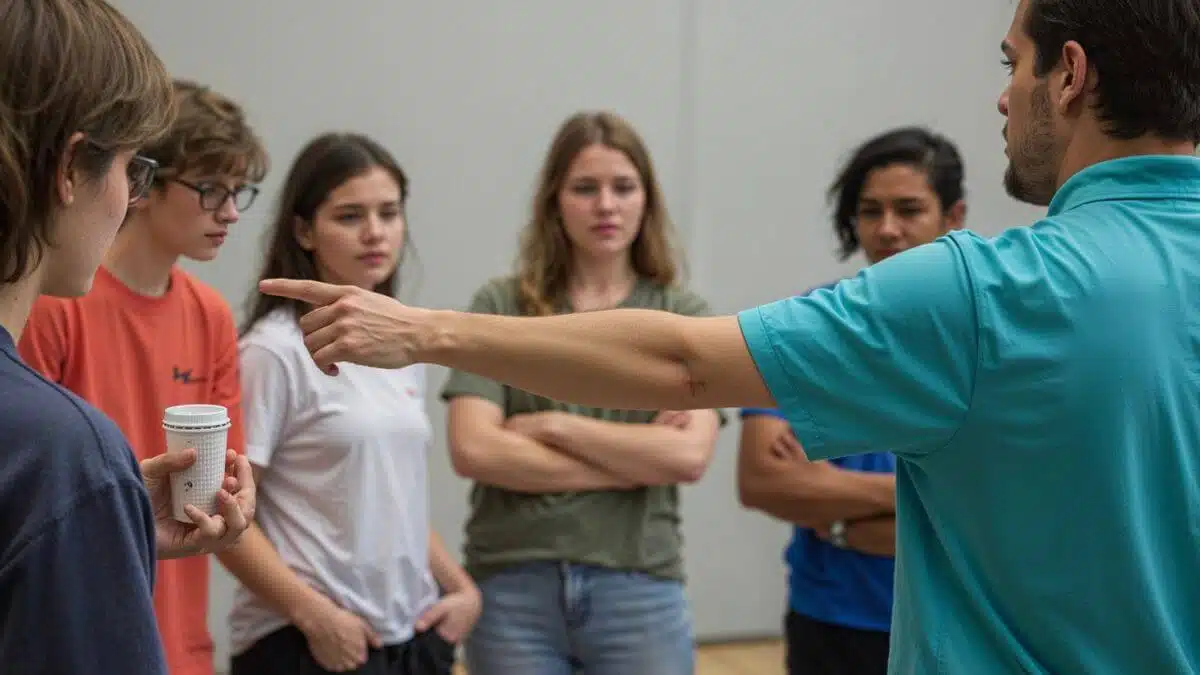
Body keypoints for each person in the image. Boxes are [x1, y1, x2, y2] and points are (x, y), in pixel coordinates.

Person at [258, 0, 1200, 672]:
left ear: (1069, 75)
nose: (1002, 97)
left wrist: (423, 330)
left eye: (1013, 64)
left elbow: (680, 361)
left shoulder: (978, 290)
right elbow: (730, 459)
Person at [0, 1, 252, 673]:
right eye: (129, 171)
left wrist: (109, 509)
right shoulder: (61, 448)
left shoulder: (208, 315)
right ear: (70, 166)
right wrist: (89, 498)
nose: (228, 212)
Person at [440, 111, 724, 675]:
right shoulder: (500, 307)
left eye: (623, 187)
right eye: (585, 188)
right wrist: (635, 459)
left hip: (640, 584)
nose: (606, 206)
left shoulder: (682, 316)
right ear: (554, 200)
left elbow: (688, 456)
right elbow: (475, 451)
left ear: (648, 199)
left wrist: (553, 427)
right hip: (511, 588)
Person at [219, 132, 479, 675]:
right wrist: (312, 615)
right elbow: (228, 518)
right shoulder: (273, 352)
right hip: (307, 643)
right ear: (303, 231)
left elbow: (389, 497)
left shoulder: (404, 348)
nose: (375, 233)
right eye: (350, 216)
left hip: (408, 638)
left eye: (389, 212)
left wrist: (460, 589)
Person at [737, 126, 966, 675]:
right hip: (829, 623)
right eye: (871, 211)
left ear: (953, 217)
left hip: (950, 621)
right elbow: (763, 481)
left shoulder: (982, 334)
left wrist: (836, 513)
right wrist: (917, 497)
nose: (887, 229)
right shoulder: (810, 327)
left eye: (909, 209)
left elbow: (1000, 499)